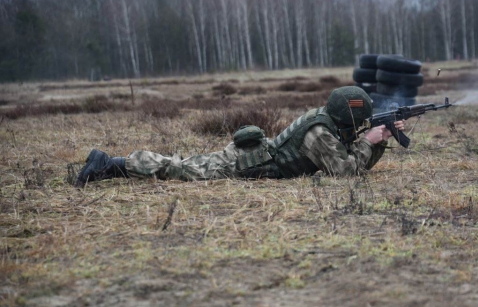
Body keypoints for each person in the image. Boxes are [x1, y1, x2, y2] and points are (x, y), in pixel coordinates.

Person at [75, 86, 405, 187]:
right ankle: (109, 164)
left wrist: (380, 139)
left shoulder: (329, 122)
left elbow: (351, 159)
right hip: (245, 164)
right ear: (347, 117)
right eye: (359, 122)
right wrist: (370, 141)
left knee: (182, 166)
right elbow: (345, 171)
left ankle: (111, 164)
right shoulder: (320, 133)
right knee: (180, 168)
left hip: (256, 159)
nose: (361, 127)